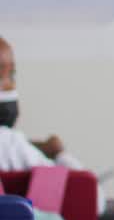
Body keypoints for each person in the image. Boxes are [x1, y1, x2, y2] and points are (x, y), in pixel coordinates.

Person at [0, 36, 87, 172]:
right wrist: (59, 154)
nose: (12, 85)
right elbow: (85, 187)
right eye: (10, 76)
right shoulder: (11, 144)